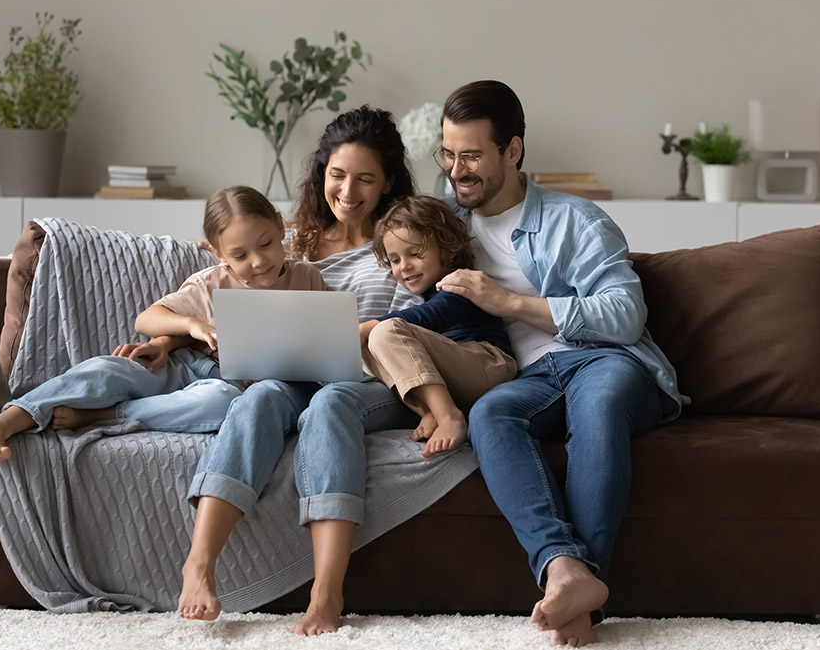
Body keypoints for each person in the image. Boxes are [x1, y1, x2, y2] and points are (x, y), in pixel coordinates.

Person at [434, 81, 687, 647]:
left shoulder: (577, 219)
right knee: (491, 417)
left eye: (471, 155)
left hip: (606, 360)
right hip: (531, 380)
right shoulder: (445, 227)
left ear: (514, 151)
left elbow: (625, 313)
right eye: (447, 155)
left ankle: (582, 590)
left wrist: (511, 303)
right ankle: (565, 571)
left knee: (596, 404)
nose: (457, 170)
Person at [177, 105, 419, 636]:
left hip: (370, 379)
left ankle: (326, 591)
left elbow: (416, 324)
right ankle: (199, 563)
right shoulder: (296, 240)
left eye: (365, 178)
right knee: (259, 398)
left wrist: (355, 330)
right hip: (290, 372)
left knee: (331, 403)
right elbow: (231, 269)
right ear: (321, 174)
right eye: (337, 175)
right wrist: (171, 333)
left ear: (389, 183)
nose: (348, 190)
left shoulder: (403, 241)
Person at [0, 186, 326, 464]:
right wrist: (193, 325)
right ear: (219, 253)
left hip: (232, 387)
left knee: (221, 403)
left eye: (265, 244)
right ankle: (12, 418)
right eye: (240, 255)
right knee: (110, 369)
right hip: (190, 365)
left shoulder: (308, 278)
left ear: (280, 226)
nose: (259, 261)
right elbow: (147, 319)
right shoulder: (213, 282)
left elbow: (322, 339)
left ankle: (106, 415)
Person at [360, 194, 517, 456]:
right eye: (395, 260)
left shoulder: (463, 282)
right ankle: (429, 411)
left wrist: (372, 324)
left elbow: (434, 316)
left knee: (384, 331)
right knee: (368, 346)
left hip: (489, 365)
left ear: (447, 248)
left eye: (414, 253)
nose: (404, 266)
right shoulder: (430, 289)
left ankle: (449, 418)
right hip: (455, 377)